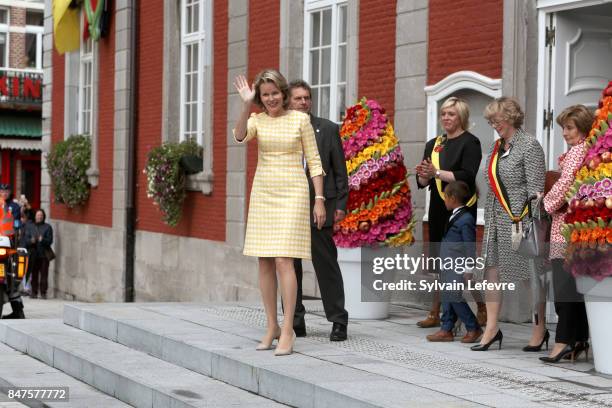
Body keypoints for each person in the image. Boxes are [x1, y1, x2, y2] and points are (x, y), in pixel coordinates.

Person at [233, 69, 326, 356]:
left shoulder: (300, 119)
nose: (270, 98)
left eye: (274, 93)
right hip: (264, 192)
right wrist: (246, 103)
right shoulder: (256, 120)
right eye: (265, 95)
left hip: (293, 193)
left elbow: (314, 160)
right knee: (264, 260)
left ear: (283, 94)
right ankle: (271, 325)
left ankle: (288, 329)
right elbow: (238, 137)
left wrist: (319, 198)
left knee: (285, 259)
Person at [473, 97, 546, 351]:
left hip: (519, 222)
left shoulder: (529, 145)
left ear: (512, 116)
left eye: (497, 119)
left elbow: (537, 191)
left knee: (529, 276)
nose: (494, 124)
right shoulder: (496, 148)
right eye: (491, 121)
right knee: (490, 273)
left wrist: (525, 221)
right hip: (495, 219)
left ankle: (539, 328)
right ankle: (491, 328)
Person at [415, 97, 486, 329]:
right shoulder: (434, 144)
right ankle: (437, 311)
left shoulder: (471, 142)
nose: (446, 117)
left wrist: (436, 172)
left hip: (461, 208)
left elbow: (466, 175)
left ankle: (480, 305)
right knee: (439, 261)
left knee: (459, 261)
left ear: (462, 117)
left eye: (451, 114)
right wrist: (424, 174)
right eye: (443, 113)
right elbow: (423, 181)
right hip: (438, 206)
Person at [288, 80, 349, 341]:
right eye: (298, 98)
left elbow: (339, 171)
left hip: (320, 208)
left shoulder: (327, 129)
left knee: (326, 267)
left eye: (307, 98)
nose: (304, 102)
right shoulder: (283, 129)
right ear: (289, 102)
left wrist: (341, 206)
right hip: (289, 209)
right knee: (290, 267)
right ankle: (295, 321)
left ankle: (338, 321)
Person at [539, 105, 592, 363]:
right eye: (563, 127)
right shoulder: (588, 152)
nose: (564, 133)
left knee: (563, 287)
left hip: (564, 227)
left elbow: (564, 185)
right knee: (576, 286)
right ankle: (580, 338)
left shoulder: (576, 153)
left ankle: (563, 340)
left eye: (569, 127)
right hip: (580, 227)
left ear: (582, 128)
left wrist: (545, 204)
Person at [426, 181, 483, 343]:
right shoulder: (454, 214)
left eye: (445, 197)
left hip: (457, 265)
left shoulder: (466, 218)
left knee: (453, 295)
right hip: (447, 263)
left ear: (453, 198)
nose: (444, 201)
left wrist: (468, 268)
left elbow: (469, 246)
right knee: (447, 296)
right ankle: (446, 329)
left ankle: (473, 327)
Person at [0, 188, 25, 319]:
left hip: (8, 242)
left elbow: (16, 225)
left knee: (13, 275)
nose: (3, 194)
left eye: (6, 191)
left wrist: (15, 234)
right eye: (1, 191)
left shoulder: (12, 208)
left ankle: (18, 310)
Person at [31, 209, 53, 299]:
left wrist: (42, 239)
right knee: (34, 274)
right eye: (38, 215)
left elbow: (50, 241)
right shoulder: (31, 226)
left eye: (41, 215)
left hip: (44, 255)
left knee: (44, 274)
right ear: (35, 216)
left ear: (43, 216)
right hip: (34, 254)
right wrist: (30, 241)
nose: (39, 217)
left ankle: (43, 293)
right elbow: (26, 237)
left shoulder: (48, 227)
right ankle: (34, 292)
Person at [18, 208, 37, 296]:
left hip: (28, 252)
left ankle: (26, 288)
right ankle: (23, 287)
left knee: (27, 270)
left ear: (26, 217)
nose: (21, 219)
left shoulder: (30, 226)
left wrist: (26, 242)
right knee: (23, 270)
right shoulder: (22, 226)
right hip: (22, 251)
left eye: (22, 217)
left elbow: (33, 240)